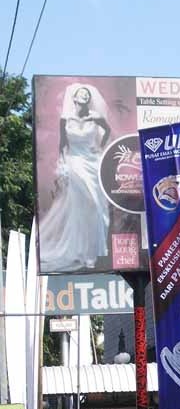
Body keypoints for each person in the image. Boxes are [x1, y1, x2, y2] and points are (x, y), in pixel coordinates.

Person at [40, 84, 111, 272]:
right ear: (74, 98)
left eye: (87, 94)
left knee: (96, 205)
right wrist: (62, 164)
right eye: (81, 93)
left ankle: (94, 252)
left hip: (92, 162)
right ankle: (81, 251)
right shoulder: (65, 119)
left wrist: (100, 146)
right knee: (81, 204)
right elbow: (62, 143)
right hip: (74, 161)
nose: (84, 95)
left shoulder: (95, 117)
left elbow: (107, 130)